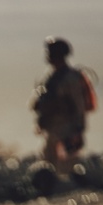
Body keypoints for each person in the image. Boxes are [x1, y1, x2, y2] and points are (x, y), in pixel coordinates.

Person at [33, 37, 95, 171]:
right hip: (52, 128)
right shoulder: (51, 77)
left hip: (67, 130)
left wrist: (78, 130)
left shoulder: (70, 78)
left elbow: (79, 106)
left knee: (66, 168)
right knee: (47, 165)